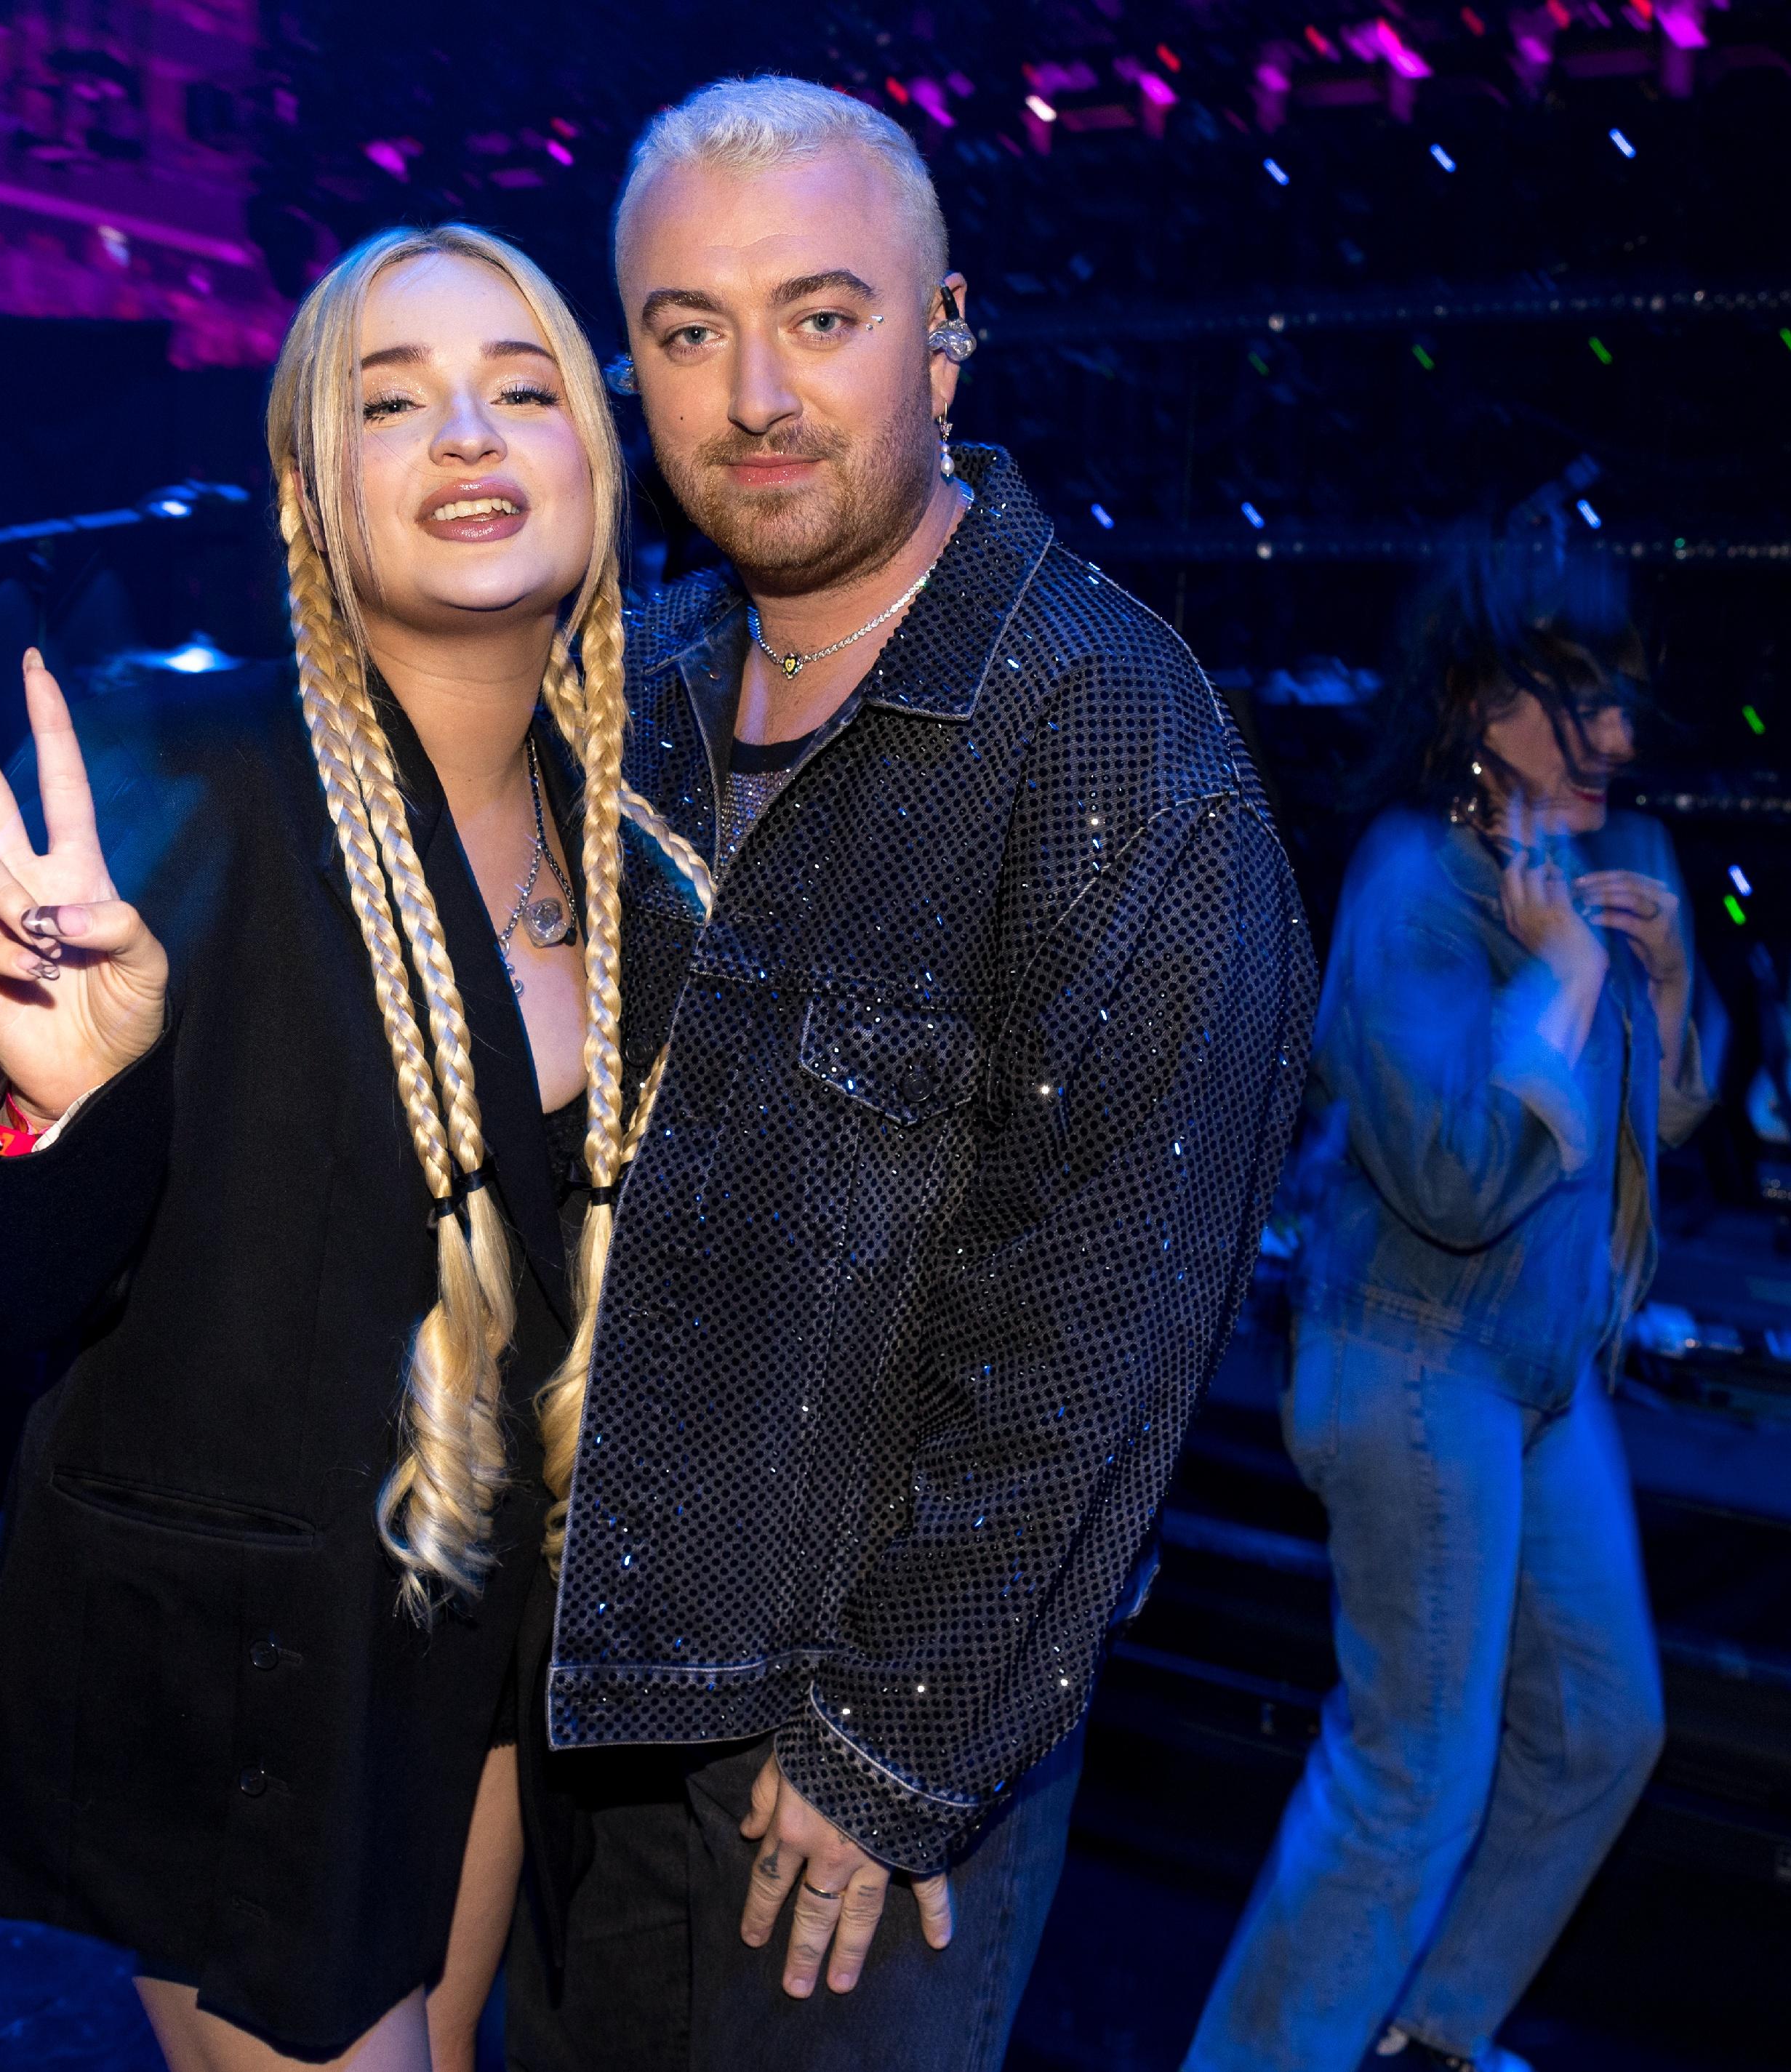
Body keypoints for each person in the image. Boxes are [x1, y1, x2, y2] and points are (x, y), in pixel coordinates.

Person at [501, 78, 1315, 2072]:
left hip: (830, 1761)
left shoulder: (1110, 746)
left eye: (822, 315)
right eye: (689, 330)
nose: (752, 390)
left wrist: (892, 1747)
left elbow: (1099, 1339)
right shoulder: (634, 700)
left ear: (946, 329)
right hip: (561, 1699)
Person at [0, 225, 688, 2071]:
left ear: (599, 450)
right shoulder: (179, 778)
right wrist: (49, 1098)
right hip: (238, 1671)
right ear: (312, 495)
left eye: (521, 387)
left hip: (482, 1656)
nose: (468, 436)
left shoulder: (645, 856)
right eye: (390, 399)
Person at [1182, 544, 1715, 2072]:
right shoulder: (1415, 881)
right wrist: (1557, 985)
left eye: (1626, 706)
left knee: (1604, 1729)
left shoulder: (1623, 877)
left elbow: (1661, 1131)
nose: (1618, 738)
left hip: (1544, 1381)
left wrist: (1662, 993)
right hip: (1412, 1364)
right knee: (1411, 1780)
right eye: (1581, 703)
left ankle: (1423, 2036)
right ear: (1483, 701)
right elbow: (1455, 1182)